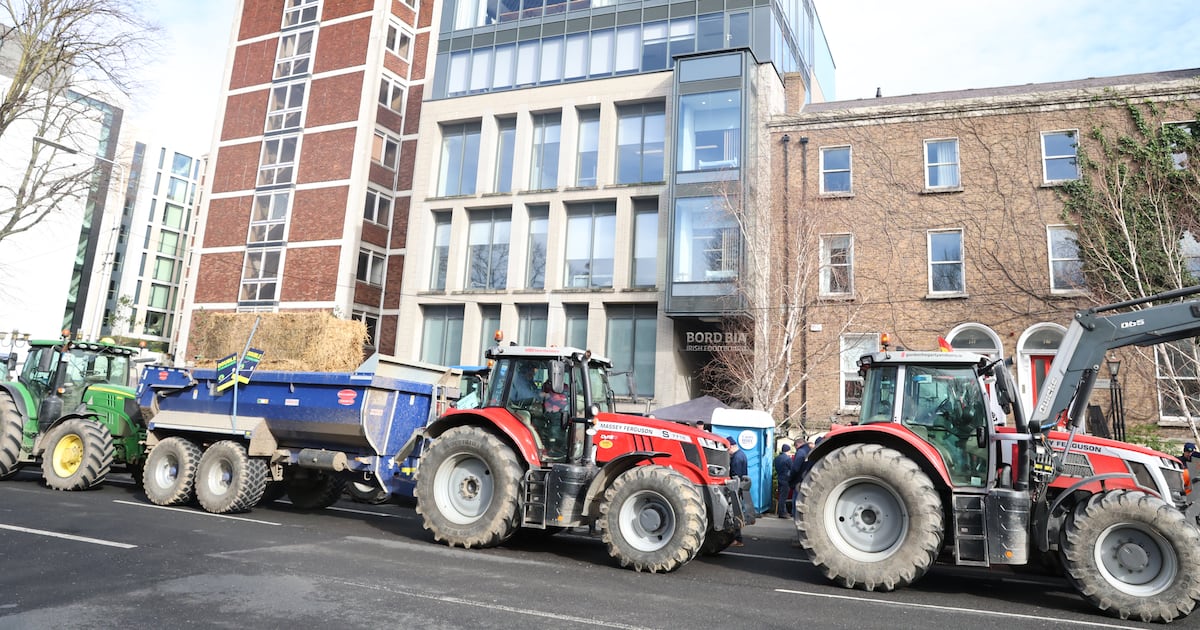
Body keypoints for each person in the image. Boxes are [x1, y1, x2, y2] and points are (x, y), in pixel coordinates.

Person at [729, 441, 748, 547]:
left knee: (734, 512)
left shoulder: (736, 457)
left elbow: (734, 475)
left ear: (732, 446)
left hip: (735, 488)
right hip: (740, 487)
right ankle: (737, 538)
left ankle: (737, 538)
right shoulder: (742, 455)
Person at [773, 443, 793, 517]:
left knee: (781, 496)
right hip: (786, 479)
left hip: (780, 477)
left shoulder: (777, 458)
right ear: (788, 450)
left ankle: (780, 511)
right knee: (783, 497)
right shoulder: (788, 459)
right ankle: (782, 512)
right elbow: (792, 468)